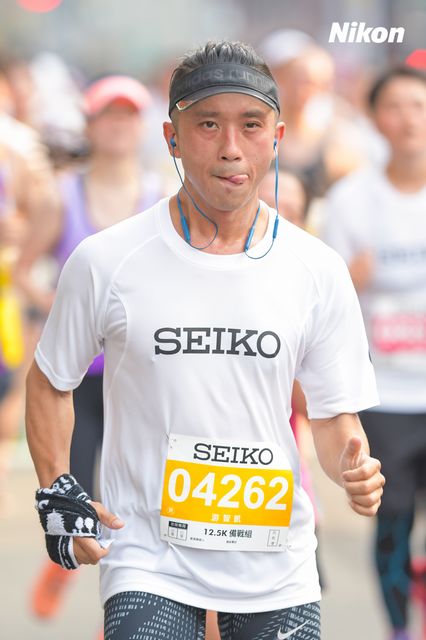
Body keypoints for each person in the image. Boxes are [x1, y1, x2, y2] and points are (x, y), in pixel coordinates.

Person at [26, 41, 384, 640]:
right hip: (148, 559)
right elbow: (49, 380)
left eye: (251, 125)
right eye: (208, 124)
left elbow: (332, 419)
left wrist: (353, 465)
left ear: (278, 136)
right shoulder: (106, 260)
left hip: (275, 564)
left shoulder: (317, 270)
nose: (230, 147)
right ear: (171, 137)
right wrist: (56, 487)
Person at [28, 74, 163, 621]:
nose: (119, 126)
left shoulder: (163, 196)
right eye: (109, 114)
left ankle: (122, 611)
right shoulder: (60, 194)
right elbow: (21, 270)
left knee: (144, 496)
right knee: (79, 489)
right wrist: (59, 307)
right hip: (80, 377)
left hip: (141, 375)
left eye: (129, 115)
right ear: (90, 124)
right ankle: (63, 567)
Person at [323, 65, 426, 640]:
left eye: (419, 106)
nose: (408, 119)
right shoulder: (351, 200)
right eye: (395, 107)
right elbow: (326, 299)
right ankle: (398, 628)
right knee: (392, 520)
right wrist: (351, 282)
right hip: (384, 393)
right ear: (375, 118)